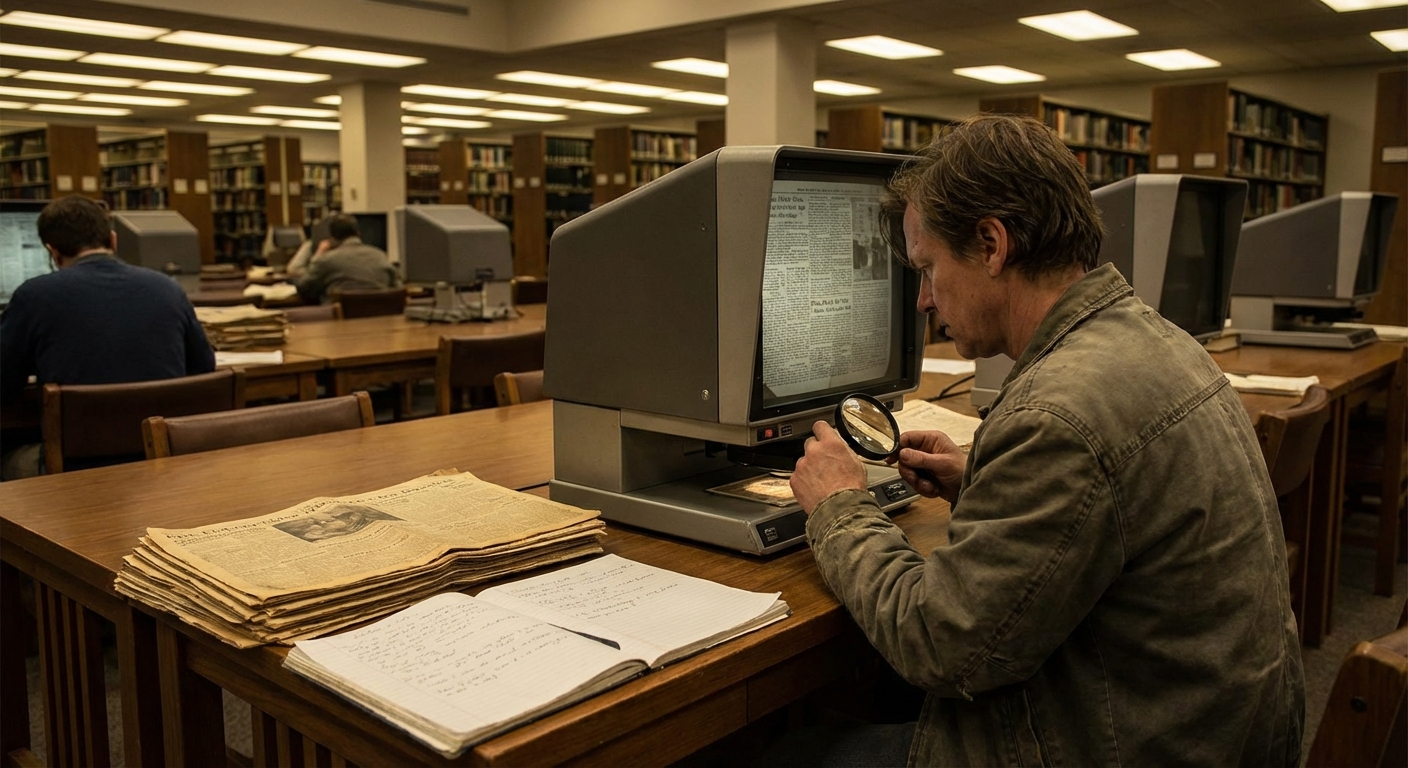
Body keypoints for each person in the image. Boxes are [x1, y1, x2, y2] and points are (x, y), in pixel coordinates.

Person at [788, 115, 1304, 766]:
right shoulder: (1156, 340)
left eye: (928, 267)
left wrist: (839, 509)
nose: (923, 300)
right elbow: (1114, 501)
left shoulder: (1055, 416)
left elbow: (939, 645)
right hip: (1214, 731)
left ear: (991, 244)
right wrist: (983, 480)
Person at [1, 195, 216, 476]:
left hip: (75, 469)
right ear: (113, 241)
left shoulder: (33, 295)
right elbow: (204, 369)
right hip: (162, 461)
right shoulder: (168, 289)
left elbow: (4, 384)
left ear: (52, 253)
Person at [294, 214, 401, 304]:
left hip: (338, 323)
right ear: (358, 234)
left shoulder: (327, 260)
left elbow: (303, 288)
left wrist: (317, 256)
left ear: (332, 238)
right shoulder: (381, 255)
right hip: (381, 320)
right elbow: (396, 288)